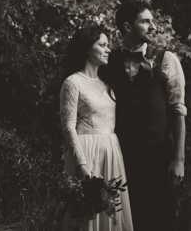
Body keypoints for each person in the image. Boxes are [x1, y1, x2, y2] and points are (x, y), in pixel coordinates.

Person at [103, 1, 186, 231]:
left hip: (159, 157)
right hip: (120, 159)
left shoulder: (167, 60)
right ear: (128, 27)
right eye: (145, 21)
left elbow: (178, 112)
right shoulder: (107, 63)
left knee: (160, 219)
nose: (153, 26)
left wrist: (178, 159)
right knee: (126, 221)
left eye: (152, 20)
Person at [60, 26, 133, 230]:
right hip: (87, 152)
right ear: (86, 49)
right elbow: (68, 126)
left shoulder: (106, 85)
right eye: (102, 45)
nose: (108, 49)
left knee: (111, 215)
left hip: (110, 152)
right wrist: (81, 165)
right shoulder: (73, 83)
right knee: (86, 216)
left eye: (108, 45)